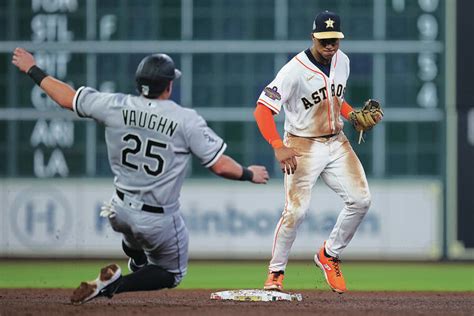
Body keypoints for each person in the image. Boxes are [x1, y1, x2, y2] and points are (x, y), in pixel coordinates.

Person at [12, 48, 269, 304]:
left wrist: (32, 69)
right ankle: (114, 286)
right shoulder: (184, 120)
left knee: (134, 235)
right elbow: (220, 165)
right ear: (168, 86)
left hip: (117, 209)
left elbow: (66, 98)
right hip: (156, 218)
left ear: (139, 83)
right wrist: (248, 173)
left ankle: (136, 258)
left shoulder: (114, 105)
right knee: (172, 273)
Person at [253, 10, 382, 293]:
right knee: (296, 212)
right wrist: (278, 146)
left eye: (334, 39)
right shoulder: (293, 71)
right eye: (324, 40)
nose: (329, 46)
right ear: (313, 37)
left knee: (361, 201)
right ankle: (276, 272)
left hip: (336, 141)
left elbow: (336, 99)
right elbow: (262, 110)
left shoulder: (343, 61)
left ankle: (329, 254)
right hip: (302, 144)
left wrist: (352, 116)